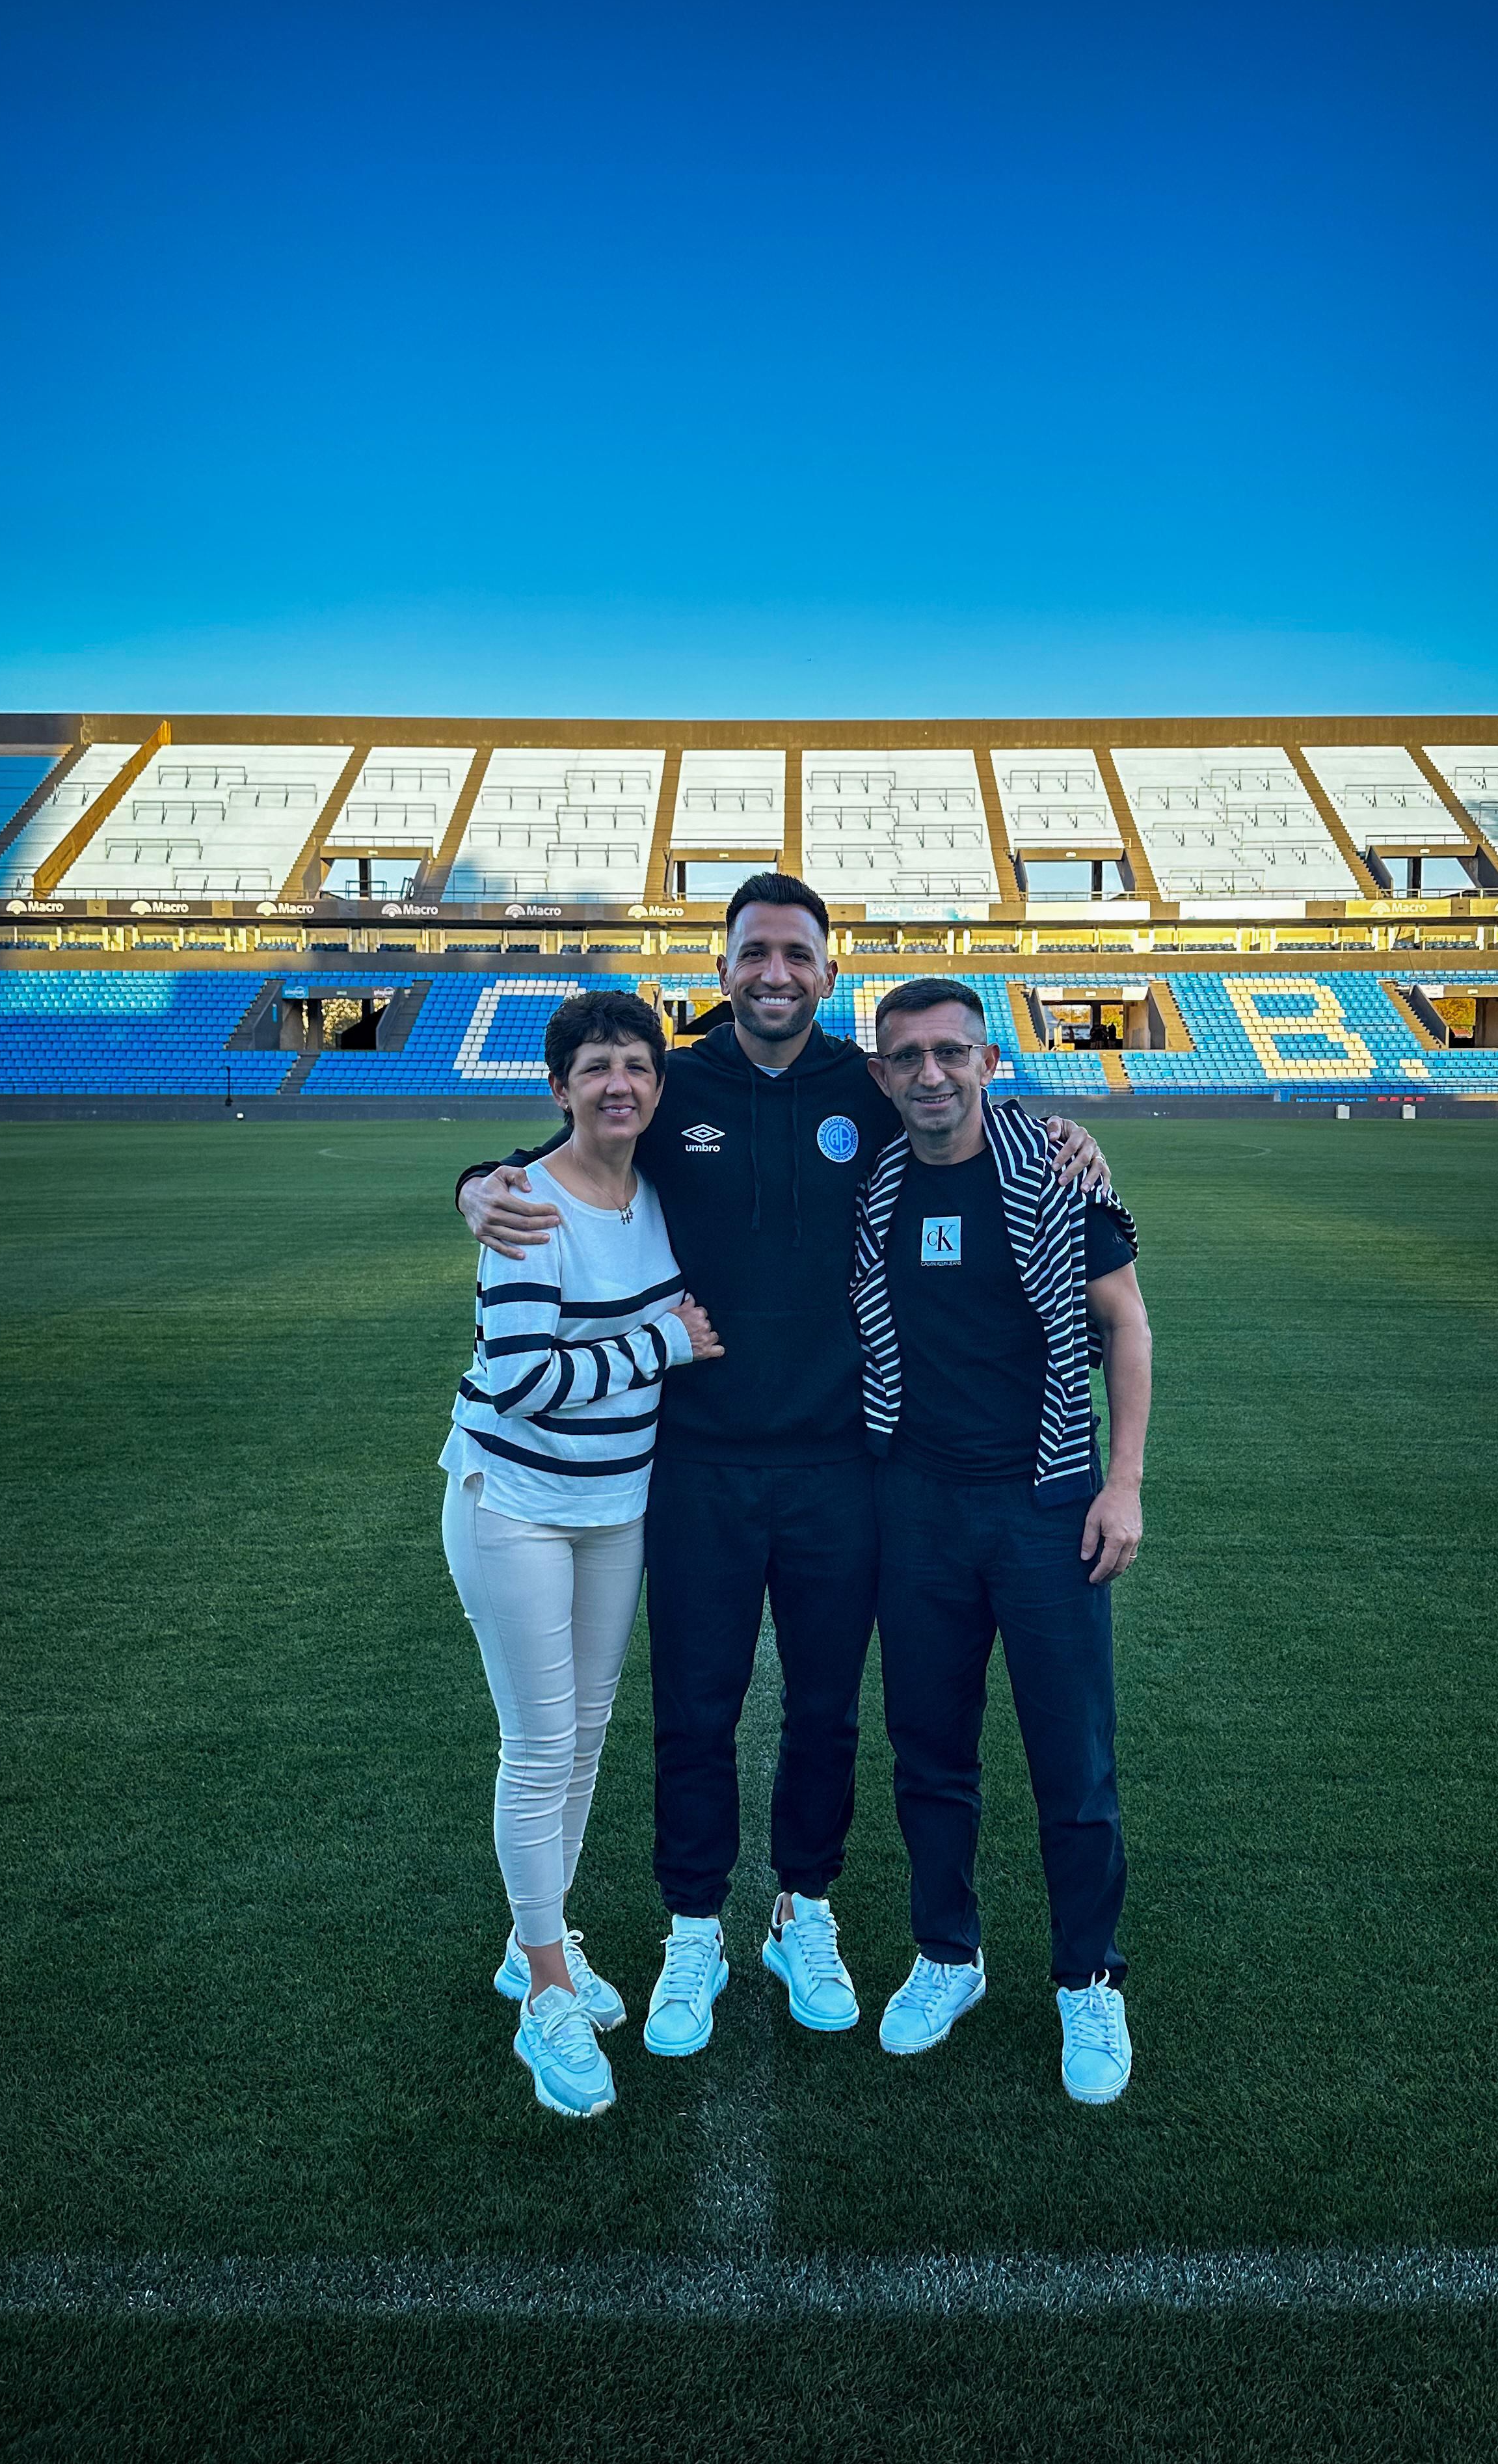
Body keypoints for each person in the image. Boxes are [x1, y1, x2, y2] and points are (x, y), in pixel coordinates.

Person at [455, 874, 1108, 2063]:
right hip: (695, 1464)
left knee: (823, 1711)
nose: (775, 973)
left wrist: (1069, 1130)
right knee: (693, 1711)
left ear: (829, 968)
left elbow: (966, 1107)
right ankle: (693, 1926)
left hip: (840, 1464)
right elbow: (565, 1144)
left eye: (797, 954)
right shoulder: (677, 1079)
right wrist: (476, 1186)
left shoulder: (866, 1077)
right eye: (754, 952)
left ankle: (804, 1911)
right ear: (722, 970)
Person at [853, 975, 1152, 2106]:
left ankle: (1087, 1978)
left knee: (1072, 1764)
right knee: (930, 1753)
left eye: (952, 1052)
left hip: (1044, 1505)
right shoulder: (872, 1184)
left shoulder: (1056, 1175)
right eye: (909, 1057)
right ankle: (947, 1955)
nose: (932, 1073)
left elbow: (1126, 1327)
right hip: (916, 1508)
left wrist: (1120, 1486)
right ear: (881, 1076)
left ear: (990, 1061)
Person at [439, 988, 722, 2119]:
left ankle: (532, 1942)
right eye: (597, 1068)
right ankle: (546, 1991)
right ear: (558, 1088)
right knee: (540, 1740)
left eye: (639, 1069)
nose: (622, 1086)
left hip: (617, 1503)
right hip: (512, 1497)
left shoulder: (658, 1196)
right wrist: (662, 1342)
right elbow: (520, 1377)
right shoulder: (525, 1208)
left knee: (589, 1733)